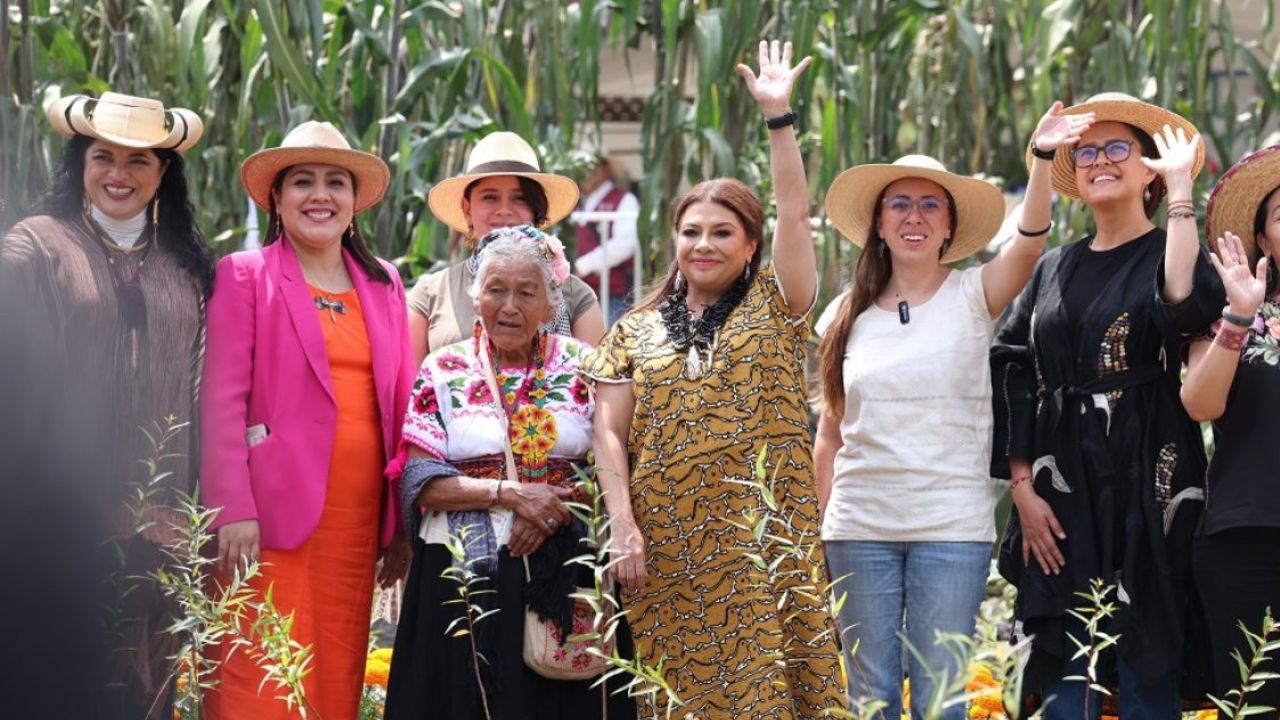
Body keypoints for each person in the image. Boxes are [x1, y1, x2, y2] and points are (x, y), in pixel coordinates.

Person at [582, 40, 845, 718]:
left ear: (750, 244)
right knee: (678, 701)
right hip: (667, 553)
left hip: (766, 544)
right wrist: (623, 527)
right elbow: (607, 434)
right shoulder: (632, 332)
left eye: (723, 232)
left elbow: (792, 210)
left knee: (777, 697)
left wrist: (778, 120)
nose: (704, 243)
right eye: (691, 230)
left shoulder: (776, 304)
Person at [813, 116, 1067, 714]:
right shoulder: (846, 313)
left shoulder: (973, 294)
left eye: (930, 205)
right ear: (879, 224)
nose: (914, 217)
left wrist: (1042, 158)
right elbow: (828, 434)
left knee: (941, 694)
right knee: (869, 694)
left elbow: (1029, 244)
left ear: (950, 225)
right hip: (858, 528)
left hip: (949, 527)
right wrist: (822, 529)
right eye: (899, 204)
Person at [991, 93, 1224, 718]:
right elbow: (1011, 362)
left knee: (1151, 649)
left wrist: (1181, 196)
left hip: (1151, 469)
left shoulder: (1169, 250)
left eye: (1118, 148)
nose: (1100, 161)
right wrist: (1020, 485)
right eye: (1088, 151)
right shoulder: (1055, 268)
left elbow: (1184, 304)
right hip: (1060, 481)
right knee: (1067, 662)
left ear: (1147, 167)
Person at [0, 91, 210, 720]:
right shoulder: (35, 246)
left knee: (146, 688)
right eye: (103, 156)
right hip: (56, 521)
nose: (119, 174)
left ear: (163, 173)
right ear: (79, 163)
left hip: (165, 523)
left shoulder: (189, 269)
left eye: (139, 160)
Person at [200, 121, 414, 720]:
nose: (320, 195)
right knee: (257, 681)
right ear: (276, 197)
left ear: (354, 201)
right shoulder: (245, 274)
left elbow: (401, 404)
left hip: (355, 522)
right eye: (303, 182)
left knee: (334, 677)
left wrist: (398, 520)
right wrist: (232, 508)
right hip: (267, 519)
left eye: (335, 183)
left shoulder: (385, 282)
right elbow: (221, 401)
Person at [384, 225, 634, 719]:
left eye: (526, 291)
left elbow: (614, 460)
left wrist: (552, 508)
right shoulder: (443, 368)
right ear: (476, 297)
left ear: (550, 304)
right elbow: (422, 480)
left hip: (565, 568)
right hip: (459, 570)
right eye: (496, 289)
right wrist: (512, 495)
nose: (510, 305)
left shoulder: (586, 366)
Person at [1182, 145, 1280, 707]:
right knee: (1248, 701)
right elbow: (1199, 404)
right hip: (1245, 538)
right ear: (1264, 239)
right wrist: (1240, 318)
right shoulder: (1231, 312)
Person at [407, 132, 605, 365]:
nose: (504, 210)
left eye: (519, 198)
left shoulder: (575, 295)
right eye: (490, 197)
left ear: (536, 210)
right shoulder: (431, 294)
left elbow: (597, 388)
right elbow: (412, 391)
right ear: (467, 207)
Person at [574, 153, 640, 324]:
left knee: (608, 345)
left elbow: (624, 245)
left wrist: (582, 266)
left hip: (613, 294)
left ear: (604, 169)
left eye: (590, 168)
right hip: (581, 294)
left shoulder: (624, 199)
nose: (584, 174)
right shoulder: (579, 201)